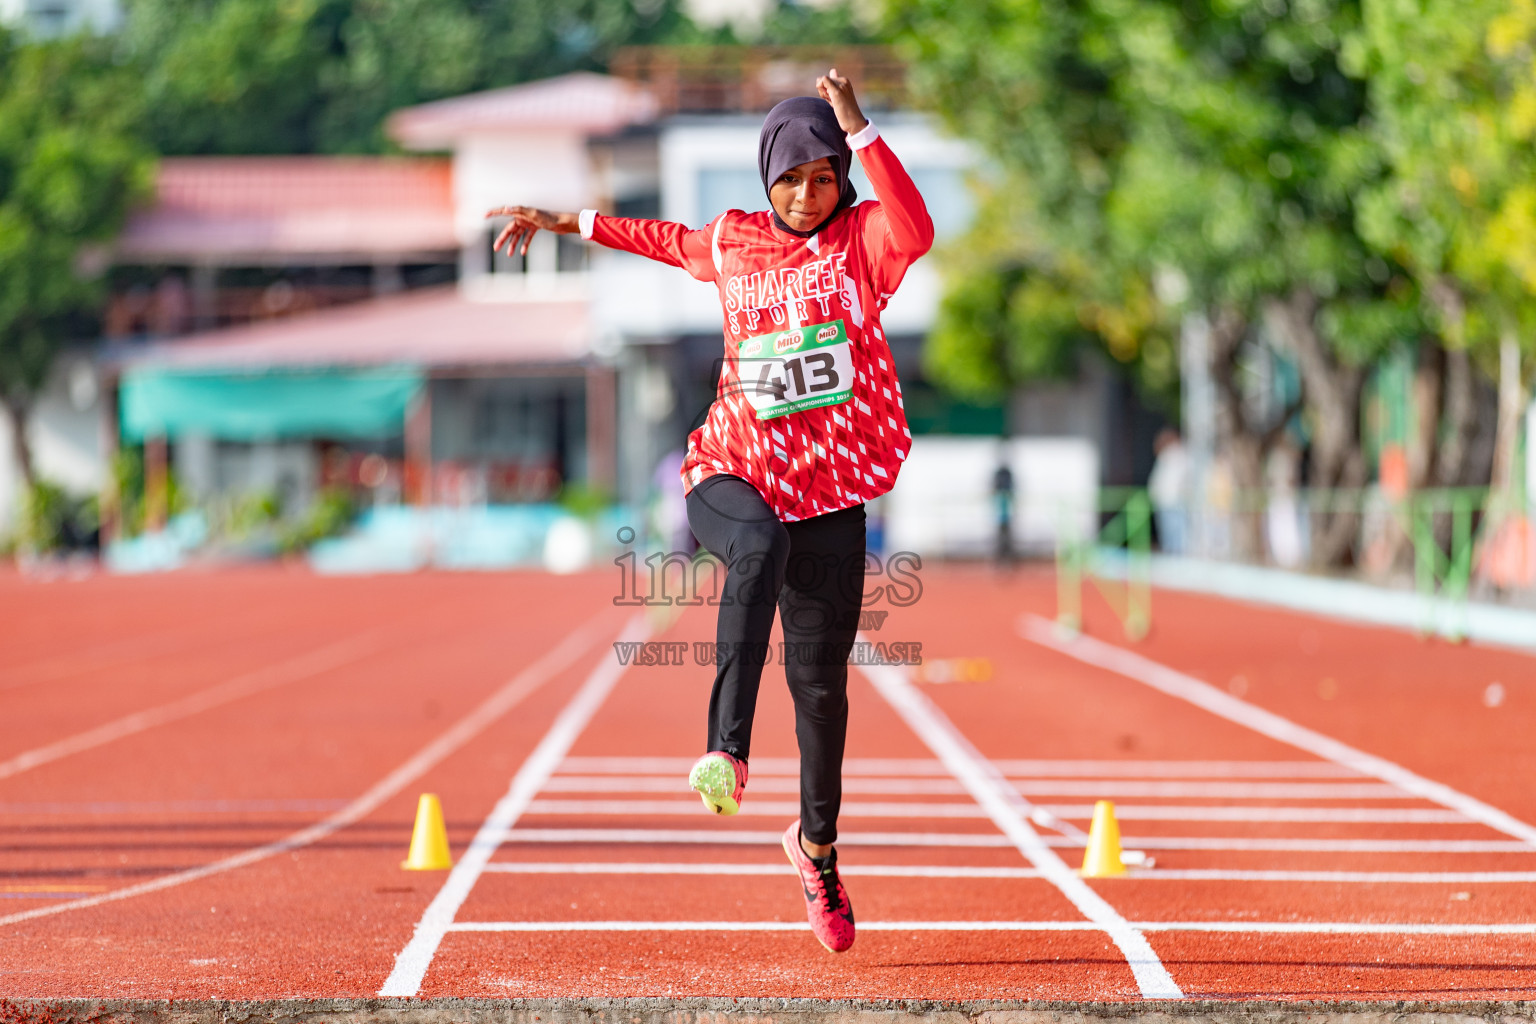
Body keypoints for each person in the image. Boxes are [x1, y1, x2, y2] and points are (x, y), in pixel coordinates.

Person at [487, 69, 933, 954]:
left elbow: (916, 225)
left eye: (824, 178)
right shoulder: (732, 243)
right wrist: (562, 220)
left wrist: (863, 128)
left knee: (821, 687)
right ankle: (725, 748)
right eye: (791, 179)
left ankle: (815, 851)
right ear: (765, 178)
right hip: (732, 469)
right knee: (754, 546)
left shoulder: (865, 244)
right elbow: (656, 237)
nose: (808, 195)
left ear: (842, 179)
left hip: (834, 491)